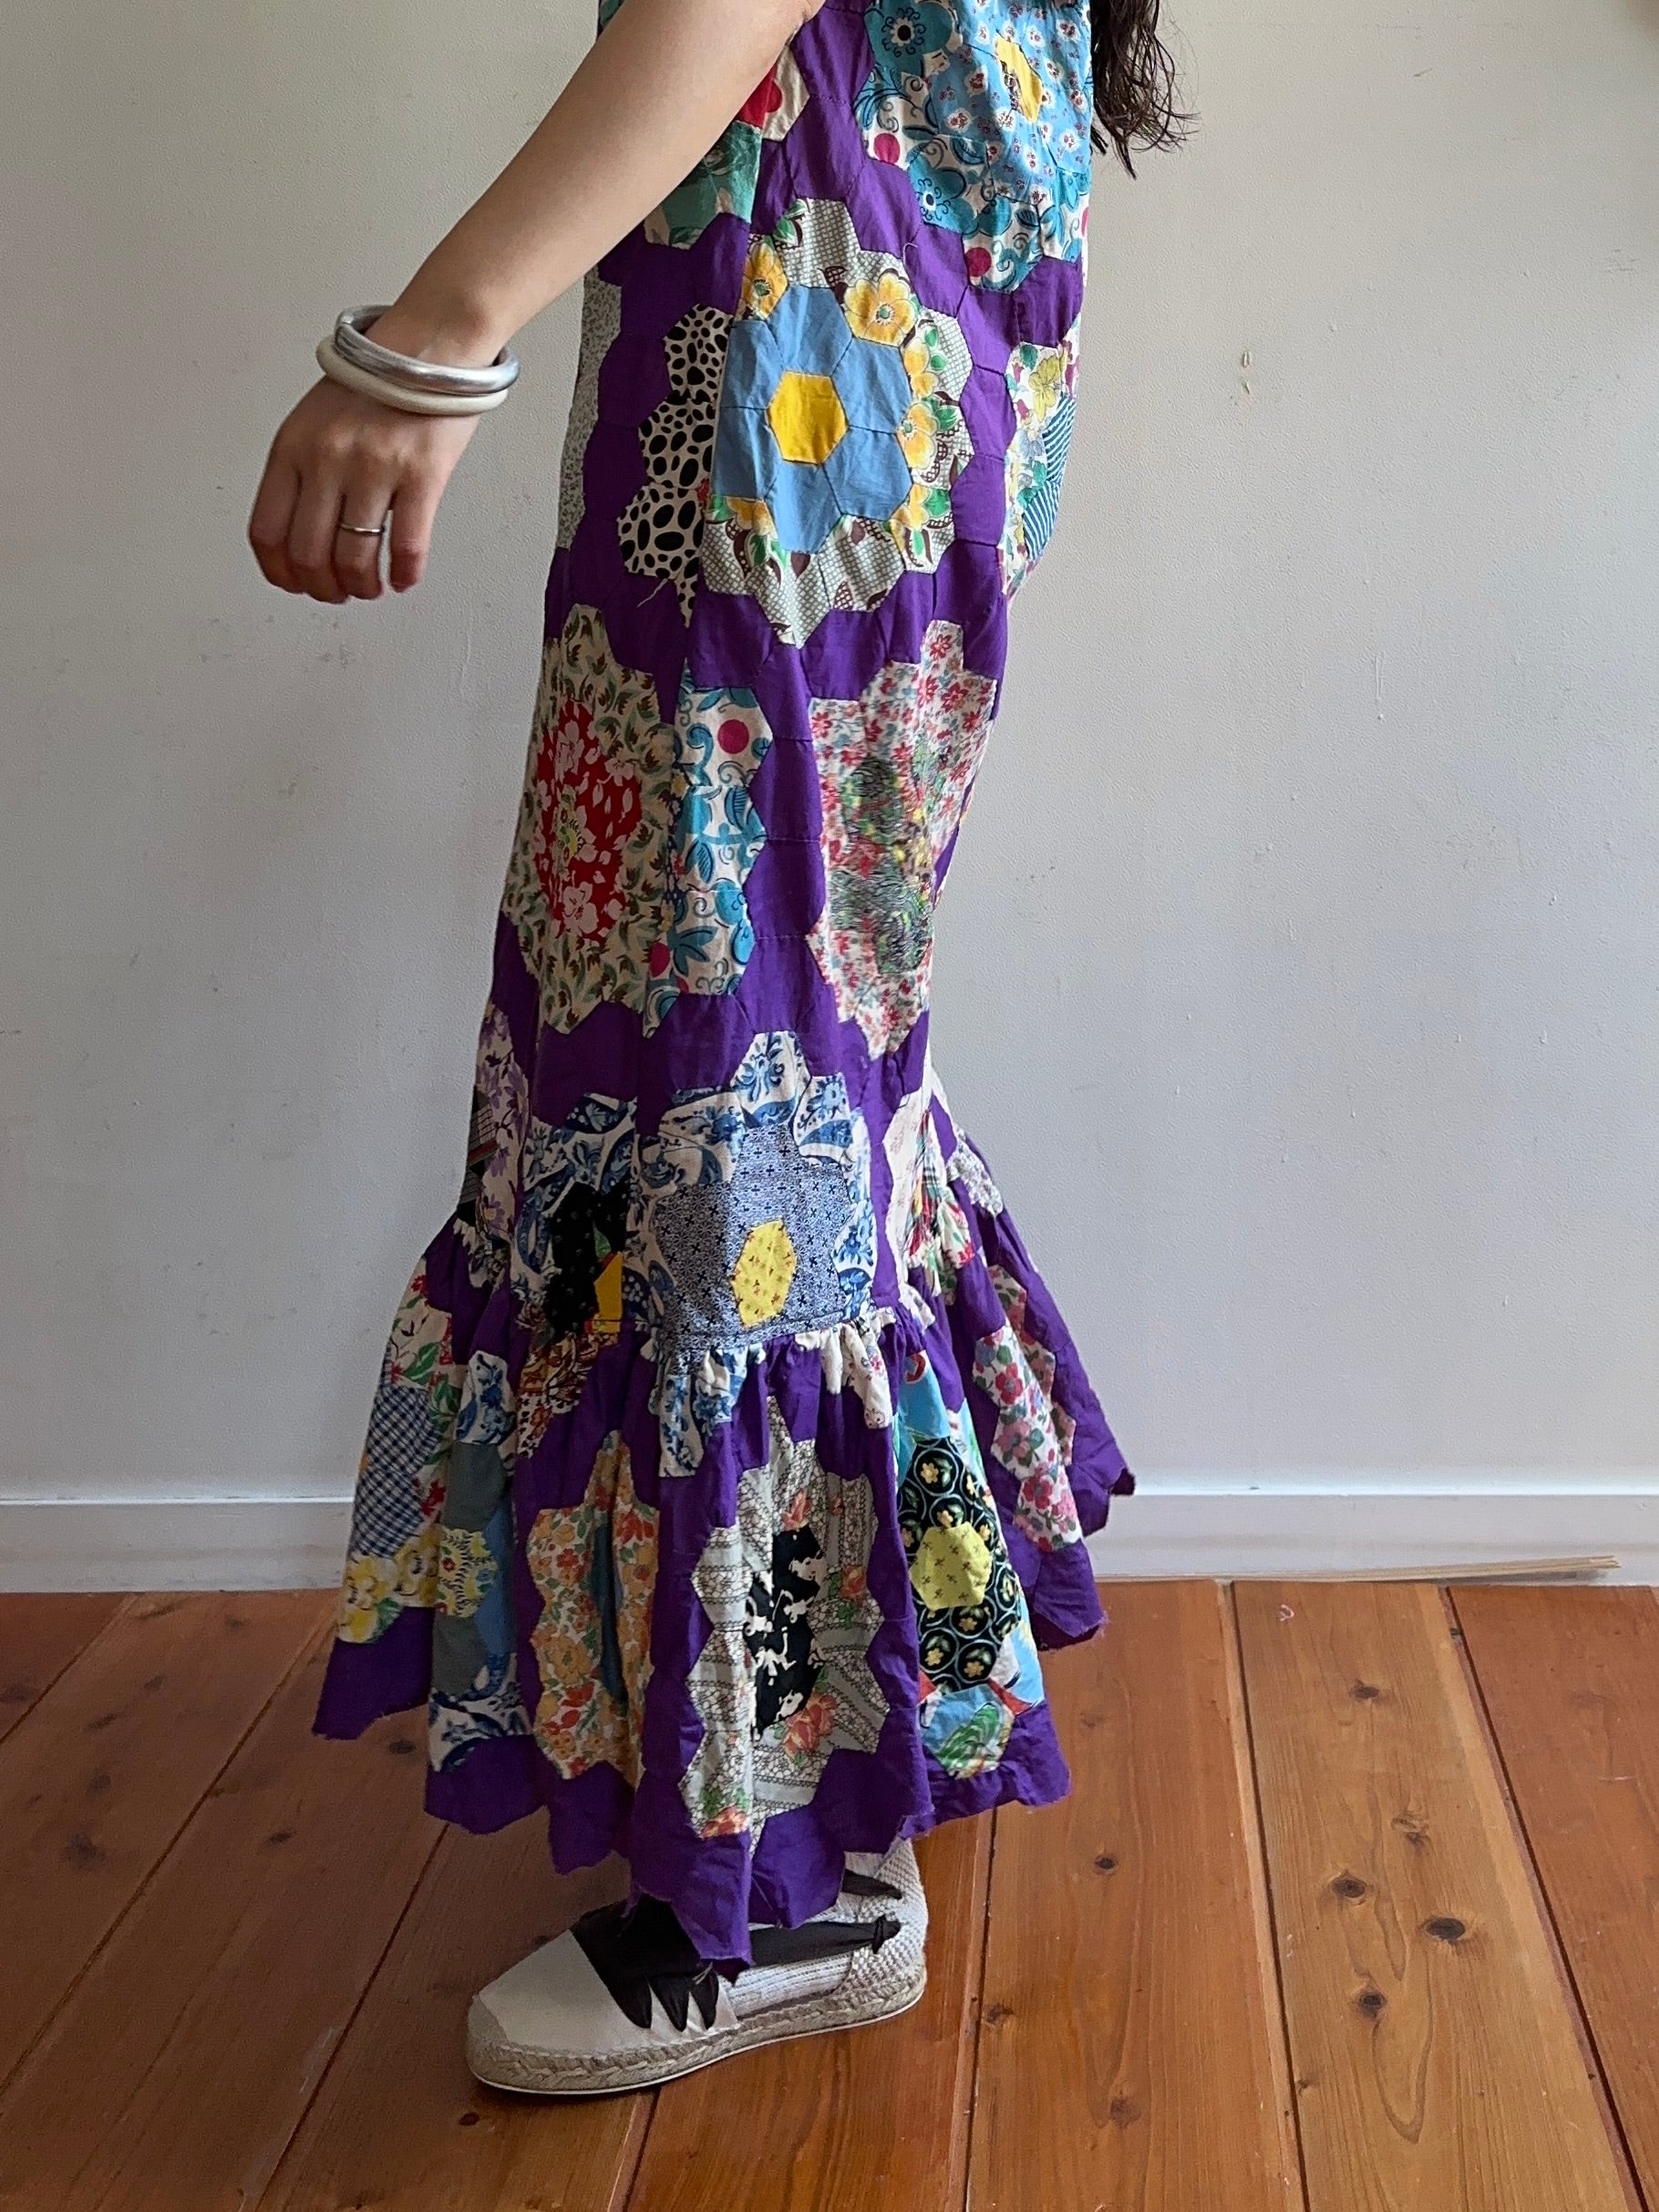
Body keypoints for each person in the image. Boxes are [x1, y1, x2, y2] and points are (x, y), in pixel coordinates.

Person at [250, 0, 1179, 2096]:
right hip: (870, 294)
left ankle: (804, 1873)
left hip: (802, 334)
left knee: (720, 1052)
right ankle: (826, 1760)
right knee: (790, 1036)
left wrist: (430, 339)